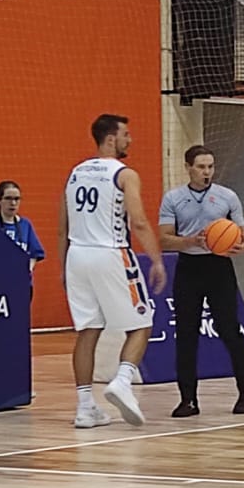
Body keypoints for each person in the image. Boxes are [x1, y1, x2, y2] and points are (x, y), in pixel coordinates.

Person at [63, 113, 166, 429]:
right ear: (111, 138)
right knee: (142, 322)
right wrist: (157, 260)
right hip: (110, 252)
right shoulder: (124, 174)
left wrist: (62, 269)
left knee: (88, 331)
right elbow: (138, 221)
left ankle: (84, 408)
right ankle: (122, 380)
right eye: (126, 134)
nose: (130, 139)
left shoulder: (75, 173)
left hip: (76, 256)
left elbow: (61, 227)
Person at [156, 145, 244, 419]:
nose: (207, 172)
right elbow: (164, 238)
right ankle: (188, 400)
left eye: (210, 166)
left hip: (218, 266)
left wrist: (242, 245)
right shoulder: (173, 198)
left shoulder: (227, 196)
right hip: (189, 267)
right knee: (186, 335)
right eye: (201, 167)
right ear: (188, 167)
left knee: (230, 330)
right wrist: (191, 241)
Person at [0, 181, 44, 273]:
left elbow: (35, 253)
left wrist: (28, 269)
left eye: (17, 199)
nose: (13, 203)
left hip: (20, 282)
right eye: (8, 198)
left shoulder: (25, 225)